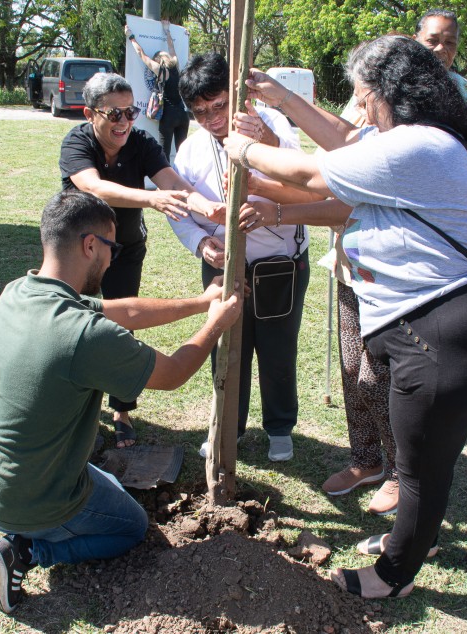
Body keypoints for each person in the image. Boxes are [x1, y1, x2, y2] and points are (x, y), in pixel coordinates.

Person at [225, 34, 467, 598]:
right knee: (422, 462)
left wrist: (245, 152)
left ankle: (393, 576)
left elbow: (315, 173)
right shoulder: (425, 139)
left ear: (391, 95)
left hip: (440, 336)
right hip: (442, 328)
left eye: (363, 97)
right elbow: (349, 140)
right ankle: (414, 538)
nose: (359, 109)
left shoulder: (418, 148)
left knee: (418, 469)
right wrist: (284, 100)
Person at [0, 190, 242, 614]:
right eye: (112, 247)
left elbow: (123, 311)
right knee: (130, 526)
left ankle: (10, 517)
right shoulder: (84, 335)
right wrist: (214, 325)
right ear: (91, 245)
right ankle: (25, 552)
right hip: (23, 495)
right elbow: (174, 373)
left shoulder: (20, 290)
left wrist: (201, 303)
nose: (112, 259)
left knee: (102, 480)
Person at [60, 72, 222, 448]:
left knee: (120, 326)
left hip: (124, 248)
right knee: (74, 325)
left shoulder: (143, 142)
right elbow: (94, 186)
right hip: (77, 252)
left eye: (130, 112)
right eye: (113, 114)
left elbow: (172, 182)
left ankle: (121, 411)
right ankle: (77, 407)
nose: (124, 122)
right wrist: (149, 198)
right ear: (89, 113)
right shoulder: (76, 143)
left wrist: (210, 208)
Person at [167, 52, 309, 462]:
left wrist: (263, 138)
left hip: (279, 262)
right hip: (222, 263)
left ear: (236, 94)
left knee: (278, 347)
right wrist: (200, 242)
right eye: (200, 112)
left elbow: (298, 172)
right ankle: (229, 424)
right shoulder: (190, 151)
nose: (212, 120)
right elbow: (179, 208)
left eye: (218, 107)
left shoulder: (271, 124)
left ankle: (280, 427)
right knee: (227, 345)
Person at [125, 20, 190, 159]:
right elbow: (171, 46)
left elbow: (141, 54)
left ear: (159, 60)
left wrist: (131, 37)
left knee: (164, 154)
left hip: (169, 116)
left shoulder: (160, 71)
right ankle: (185, 179)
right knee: (183, 153)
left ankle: (165, 180)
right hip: (183, 115)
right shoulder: (175, 67)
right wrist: (167, 31)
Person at [413, 9, 467, 109]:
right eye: (432, 40)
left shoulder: (461, 86)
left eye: (449, 43)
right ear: (415, 42)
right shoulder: (395, 81)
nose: (441, 49)